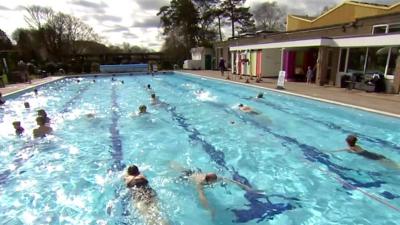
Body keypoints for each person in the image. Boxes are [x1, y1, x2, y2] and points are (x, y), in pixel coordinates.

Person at [172, 163, 259, 218]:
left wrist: (247, 188)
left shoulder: (215, 178)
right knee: (181, 175)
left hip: (194, 173)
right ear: (209, 181)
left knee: (187, 170)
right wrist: (209, 209)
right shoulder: (200, 183)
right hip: (187, 179)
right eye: (215, 180)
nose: (218, 180)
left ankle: (174, 165)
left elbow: (232, 181)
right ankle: (173, 165)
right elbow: (201, 196)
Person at [331, 135, 399, 169]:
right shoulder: (356, 146)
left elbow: (340, 150)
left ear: (348, 142)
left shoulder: (352, 148)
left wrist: (328, 151)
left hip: (376, 158)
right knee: (396, 165)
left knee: (396, 168)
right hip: (377, 156)